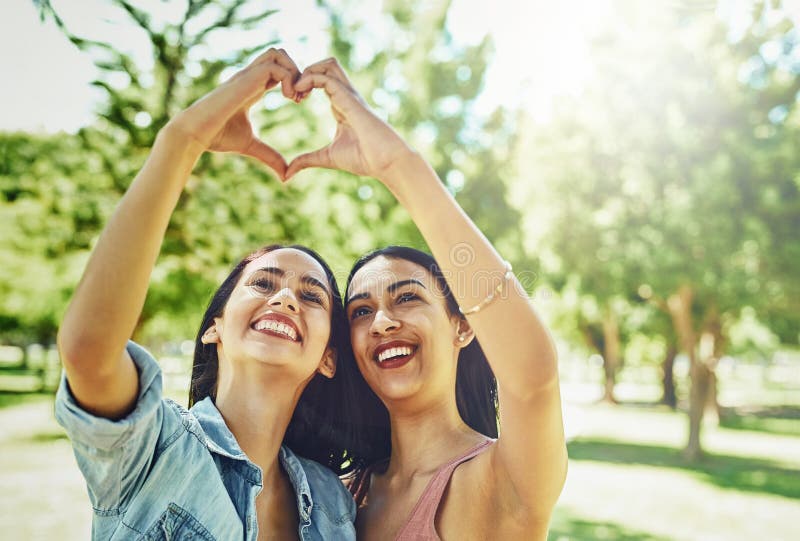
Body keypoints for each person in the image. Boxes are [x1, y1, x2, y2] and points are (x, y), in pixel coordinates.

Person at [55, 49, 358, 540]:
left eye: (312, 296)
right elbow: (88, 349)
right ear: (215, 327)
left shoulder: (335, 504)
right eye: (262, 283)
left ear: (328, 357)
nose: (284, 300)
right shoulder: (154, 447)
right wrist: (183, 141)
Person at [284, 58, 567, 540]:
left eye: (408, 298)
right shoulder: (335, 496)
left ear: (462, 325)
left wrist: (396, 167)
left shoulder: (499, 480)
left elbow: (532, 378)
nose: (382, 322)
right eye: (361, 311)